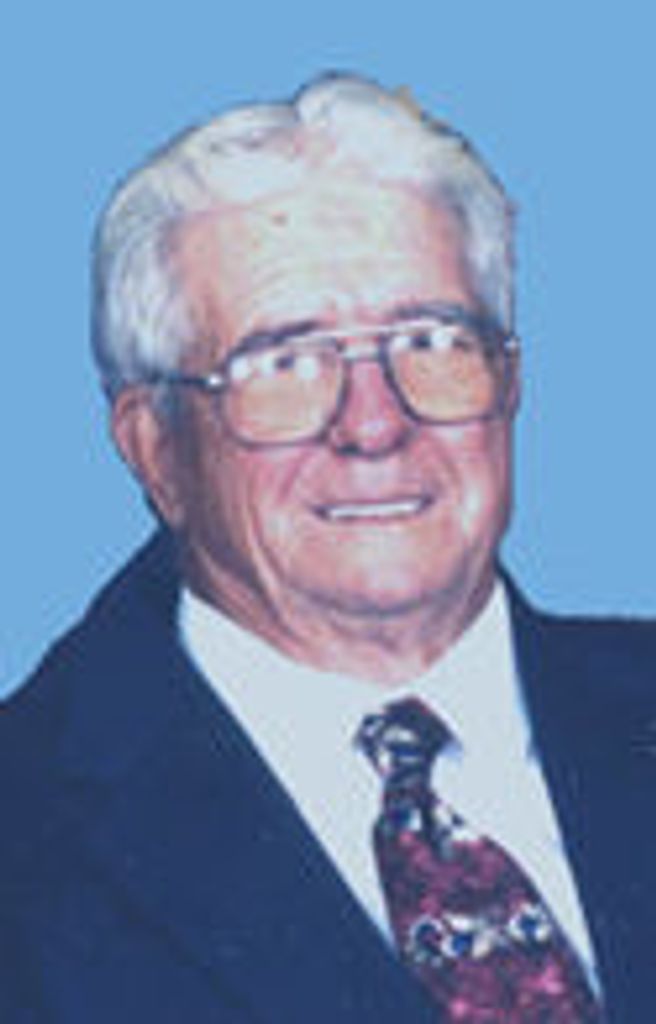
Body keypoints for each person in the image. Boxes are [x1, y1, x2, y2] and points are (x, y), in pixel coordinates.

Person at [2, 72, 655, 1024]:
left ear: (508, 380)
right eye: (284, 364)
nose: (374, 424)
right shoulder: (25, 835)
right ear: (154, 447)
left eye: (431, 341)